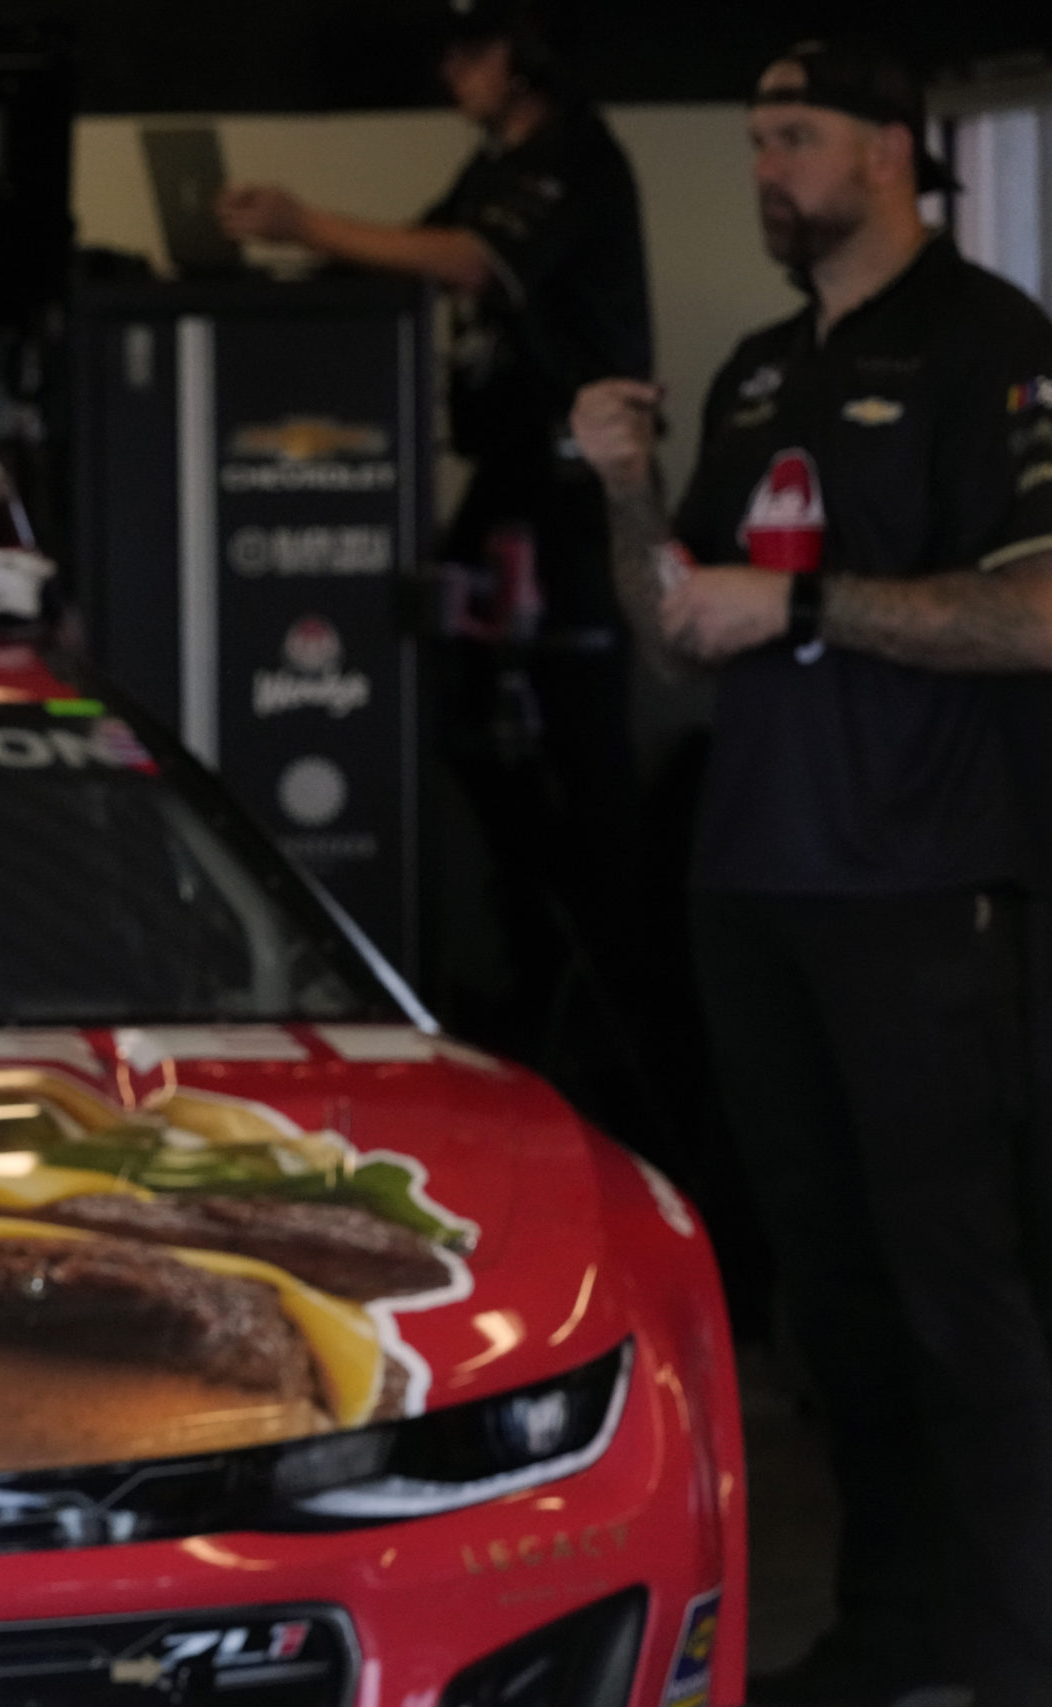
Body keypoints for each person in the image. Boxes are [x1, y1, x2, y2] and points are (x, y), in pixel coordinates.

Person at [574, 43, 1052, 1707]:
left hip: (922, 895)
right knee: (831, 1312)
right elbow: (677, 622)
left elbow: (1041, 609)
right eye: (757, 139)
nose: (767, 167)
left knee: (959, 1305)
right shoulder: (768, 371)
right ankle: (893, 1635)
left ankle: (1013, 1654)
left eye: (797, 137)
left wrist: (804, 604)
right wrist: (632, 492)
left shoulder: (994, 345)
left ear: (896, 154)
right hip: (758, 885)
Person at [217, 0, 660, 1130]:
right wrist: (287, 250)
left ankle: (627, 1055)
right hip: (507, 489)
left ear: (530, 54)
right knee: (475, 738)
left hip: (568, 500)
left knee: (580, 780)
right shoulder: (493, 163)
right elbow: (412, 257)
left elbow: (467, 264)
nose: (451, 68)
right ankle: (521, 994)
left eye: (474, 47)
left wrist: (303, 219)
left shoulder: (570, 156)